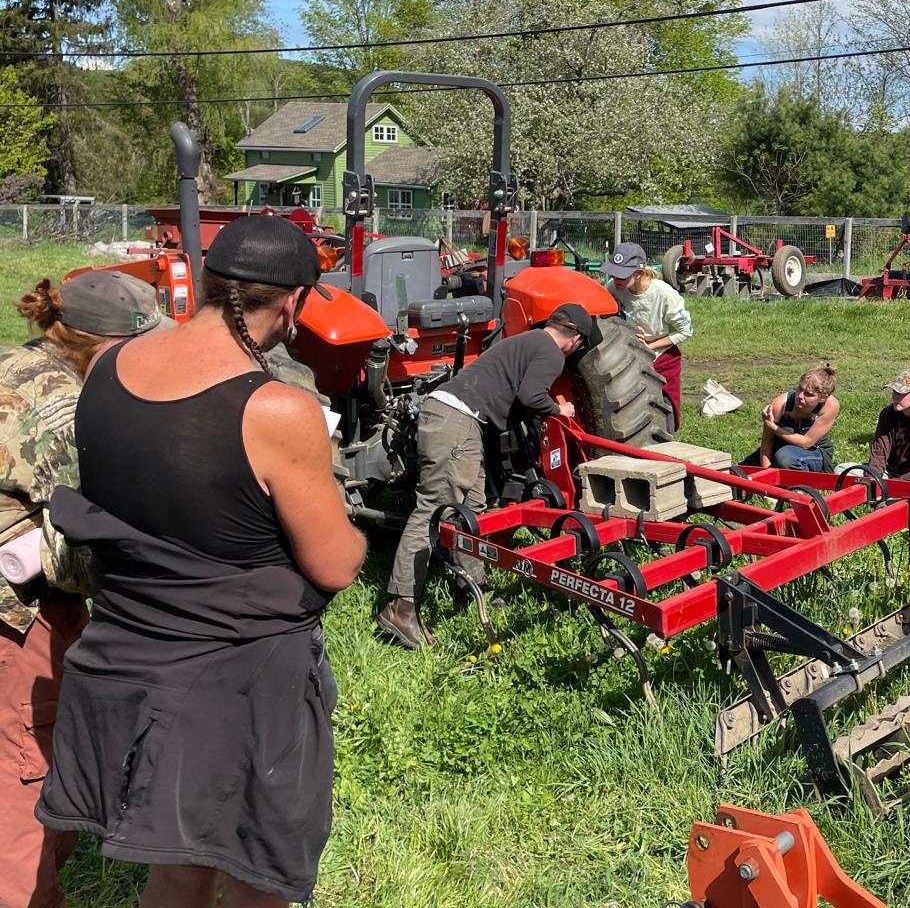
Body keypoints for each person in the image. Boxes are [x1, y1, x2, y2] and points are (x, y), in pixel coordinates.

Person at [37, 215, 368, 908]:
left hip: (129, 655)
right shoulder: (277, 408)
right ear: (293, 303)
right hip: (237, 681)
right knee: (255, 869)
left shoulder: (105, 368)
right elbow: (336, 565)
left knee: (173, 856)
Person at [0, 272, 169, 908]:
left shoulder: (11, 366)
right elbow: (86, 541)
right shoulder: (63, 407)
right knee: (26, 784)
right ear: (102, 347)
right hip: (18, 623)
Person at [379, 302, 600, 648]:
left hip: (459, 419)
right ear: (575, 338)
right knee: (435, 509)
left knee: (472, 510)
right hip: (456, 421)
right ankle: (400, 608)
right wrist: (561, 408)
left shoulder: (527, 341)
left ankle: (473, 588)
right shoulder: (552, 351)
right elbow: (531, 395)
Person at [600, 242, 692, 429]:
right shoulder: (613, 287)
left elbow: (685, 331)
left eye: (622, 275)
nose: (616, 279)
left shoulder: (664, 295)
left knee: (663, 400)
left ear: (639, 274)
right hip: (631, 349)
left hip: (662, 355)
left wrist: (651, 346)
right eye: (613, 272)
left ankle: (667, 432)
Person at [745, 363, 841, 471]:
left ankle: (800, 486)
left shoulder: (830, 406)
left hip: (813, 451)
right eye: (800, 388)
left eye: (808, 394)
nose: (800, 396)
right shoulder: (780, 404)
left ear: (823, 397)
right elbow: (767, 443)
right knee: (741, 472)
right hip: (779, 447)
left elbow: (806, 442)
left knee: (784, 458)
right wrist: (767, 473)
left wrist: (773, 427)